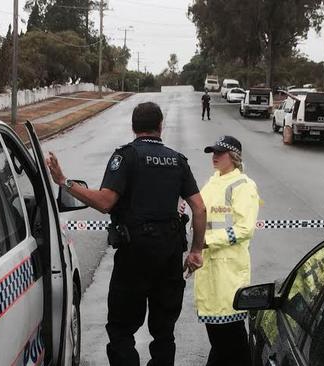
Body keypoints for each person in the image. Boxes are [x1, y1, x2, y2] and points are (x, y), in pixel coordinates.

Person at [46, 102, 207, 366]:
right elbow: (199, 208)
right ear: (160, 127)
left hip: (134, 257)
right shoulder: (177, 160)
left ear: (133, 127)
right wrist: (196, 251)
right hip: (168, 256)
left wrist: (65, 182)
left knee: (121, 330)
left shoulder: (126, 157)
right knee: (164, 333)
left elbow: (105, 201)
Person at [193, 135, 260, 366]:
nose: (214, 157)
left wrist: (207, 241)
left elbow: (244, 228)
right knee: (221, 340)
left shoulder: (243, 186)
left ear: (233, 157)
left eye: (219, 153)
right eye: (213, 152)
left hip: (229, 272)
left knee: (231, 341)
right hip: (209, 270)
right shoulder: (212, 182)